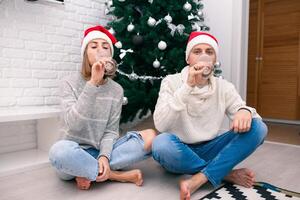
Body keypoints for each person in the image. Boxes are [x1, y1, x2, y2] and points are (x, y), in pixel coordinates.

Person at [152, 32, 268, 200]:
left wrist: (245, 110)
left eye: (209, 52)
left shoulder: (224, 87)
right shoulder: (171, 82)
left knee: (259, 128)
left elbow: (246, 113)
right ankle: (224, 173)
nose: (204, 56)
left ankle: (200, 178)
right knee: (161, 143)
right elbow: (160, 125)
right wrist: (187, 87)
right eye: (197, 51)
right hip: (179, 149)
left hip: (211, 148)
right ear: (188, 59)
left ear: (214, 60)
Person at [49, 25, 156, 190]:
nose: (101, 50)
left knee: (150, 137)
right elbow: (73, 124)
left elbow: (111, 131)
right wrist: (92, 84)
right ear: (85, 54)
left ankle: (88, 171)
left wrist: (104, 156)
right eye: (94, 46)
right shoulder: (68, 83)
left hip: (101, 151)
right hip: (73, 151)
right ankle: (115, 175)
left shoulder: (116, 90)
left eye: (105, 47)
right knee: (58, 152)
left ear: (110, 56)